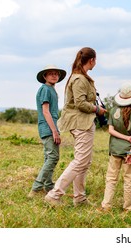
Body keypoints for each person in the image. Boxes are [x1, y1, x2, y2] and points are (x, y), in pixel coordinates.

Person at [44, 47, 107, 207]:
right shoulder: (79, 79)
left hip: (83, 122)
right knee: (80, 161)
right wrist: (97, 109)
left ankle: (79, 198)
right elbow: (80, 103)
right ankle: (54, 194)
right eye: (95, 60)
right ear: (91, 60)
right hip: (81, 123)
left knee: (84, 161)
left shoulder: (81, 77)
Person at [97, 82, 131, 213]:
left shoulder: (113, 111)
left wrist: (123, 138)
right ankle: (128, 208)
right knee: (129, 179)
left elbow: (110, 131)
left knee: (111, 178)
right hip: (129, 151)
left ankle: (106, 206)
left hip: (115, 150)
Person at [28, 65, 66, 198]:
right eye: (51, 74)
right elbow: (45, 111)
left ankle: (48, 185)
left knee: (48, 157)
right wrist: (54, 131)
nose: (54, 75)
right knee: (53, 157)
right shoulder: (45, 89)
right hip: (48, 128)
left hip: (51, 127)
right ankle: (36, 188)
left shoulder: (51, 90)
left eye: (56, 74)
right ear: (45, 76)